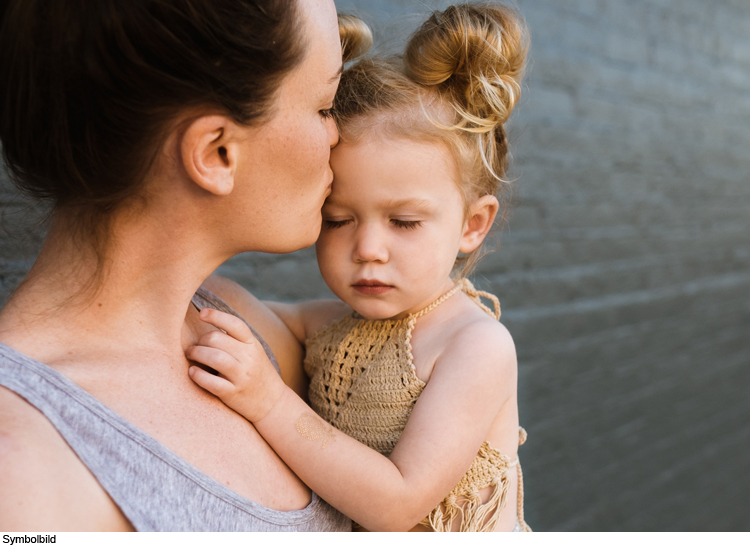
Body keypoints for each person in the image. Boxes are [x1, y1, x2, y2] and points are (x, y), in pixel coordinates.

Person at [0, 0, 353, 531]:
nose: (338, 135)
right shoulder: (23, 465)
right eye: (325, 107)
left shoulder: (238, 325)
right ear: (216, 153)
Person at [187, 3, 533, 532]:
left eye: (404, 222)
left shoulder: (474, 345)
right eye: (338, 219)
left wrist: (270, 403)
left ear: (472, 224)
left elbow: (398, 504)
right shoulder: (329, 326)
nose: (368, 247)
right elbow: (225, 304)